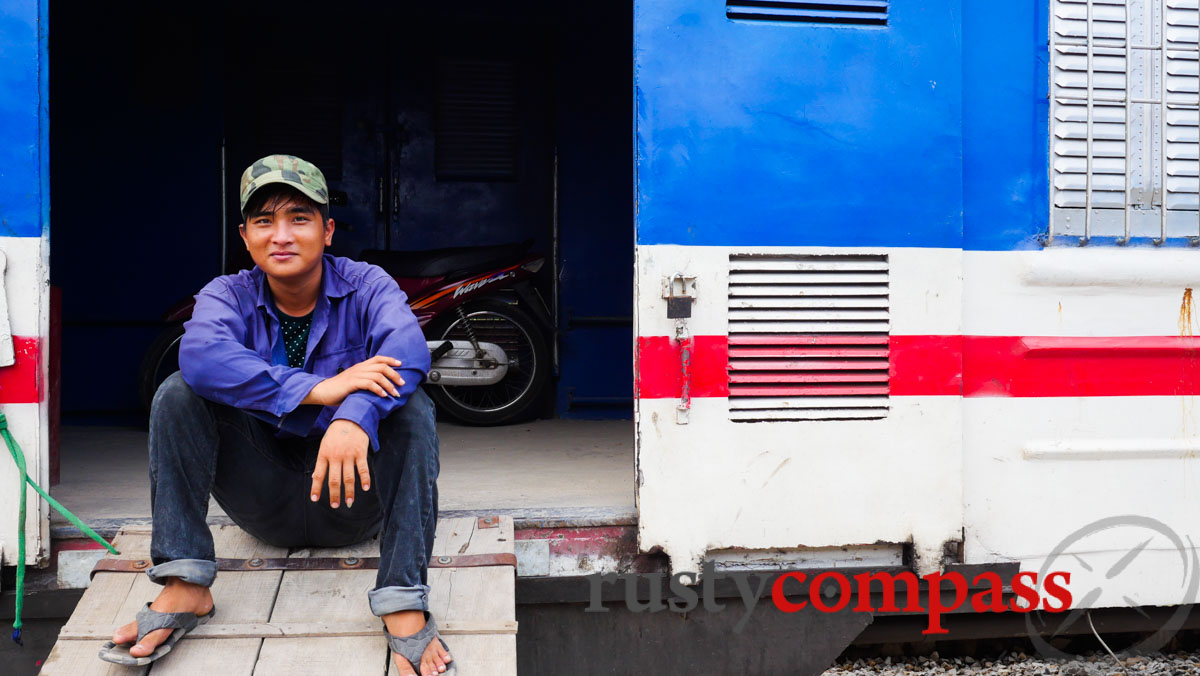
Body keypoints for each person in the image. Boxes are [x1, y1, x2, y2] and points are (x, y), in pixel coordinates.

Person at [99, 154, 454, 676]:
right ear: (245, 236)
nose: (281, 235)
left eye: (299, 218)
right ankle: (185, 584)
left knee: (413, 408)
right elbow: (198, 357)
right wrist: (320, 390)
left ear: (328, 231)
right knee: (177, 393)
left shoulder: (368, 285)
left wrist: (353, 416)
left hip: (354, 503)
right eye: (264, 221)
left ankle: (401, 598)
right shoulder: (228, 294)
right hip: (261, 501)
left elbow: (407, 349)